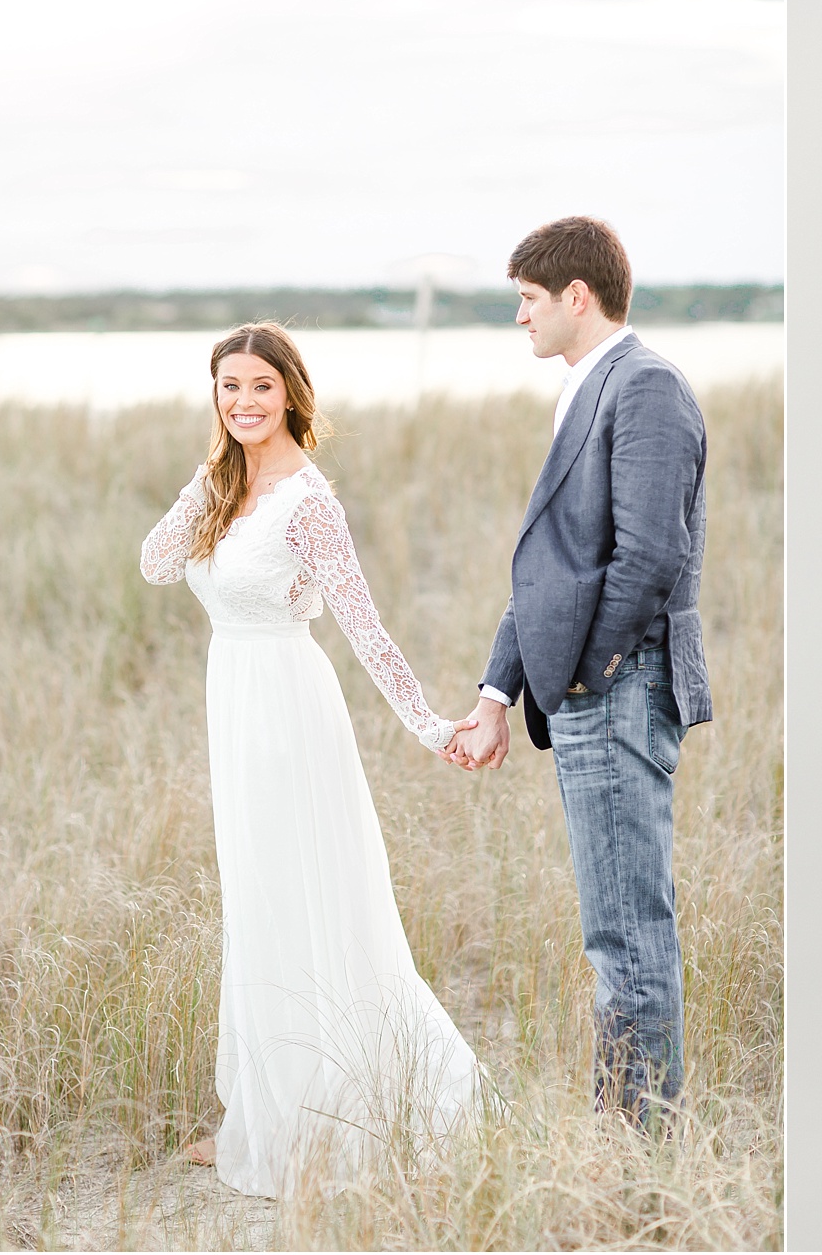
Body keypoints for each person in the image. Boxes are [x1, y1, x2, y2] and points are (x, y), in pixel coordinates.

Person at [140, 322, 483, 1198]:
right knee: (256, 901)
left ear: (291, 390)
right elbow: (153, 562)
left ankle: (347, 1105)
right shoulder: (224, 485)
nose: (244, 402)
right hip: (234, 702)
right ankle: (264, 1106)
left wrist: (429, 723)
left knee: (311, 895)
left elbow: (365, 626)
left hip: (290, 705)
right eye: (228, 387)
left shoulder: (309, 501)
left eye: (260, 386)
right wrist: (210, 471)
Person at [445, 217, 712, 1122]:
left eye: (526, 298)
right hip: (591, 692)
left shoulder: (645, 388)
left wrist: (585, 674)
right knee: (613, 930)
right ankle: (627, 1135)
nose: (519, 316)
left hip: (621, 689)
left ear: (575, 296)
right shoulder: (584, 389)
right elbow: (553, 569)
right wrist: (497, 690)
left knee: (628, 934)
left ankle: (638, 1152)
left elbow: (650, 556)